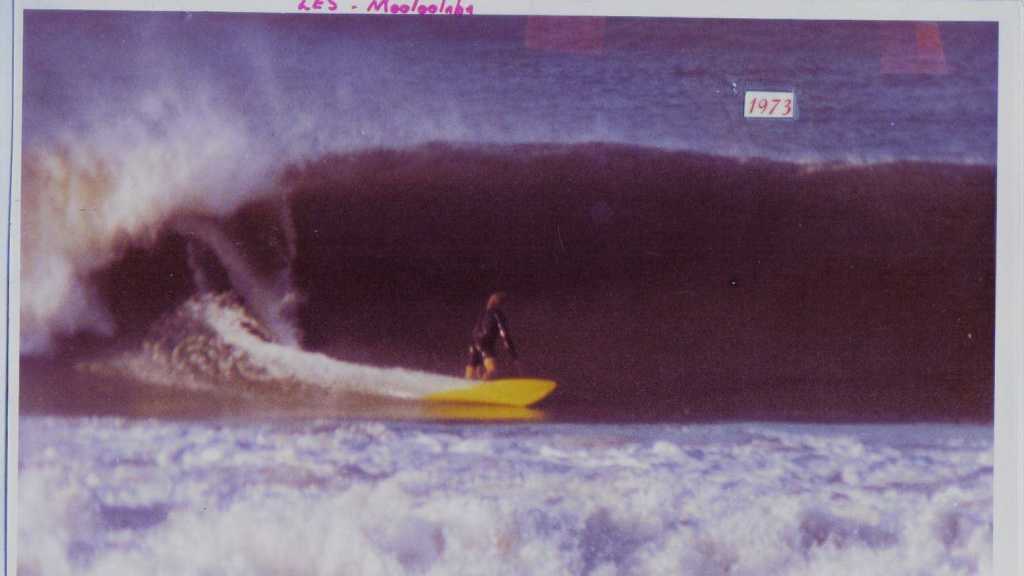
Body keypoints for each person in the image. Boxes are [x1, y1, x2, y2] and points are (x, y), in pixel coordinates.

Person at [465, 292, 519, 380]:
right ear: (501, 304)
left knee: (473, 372)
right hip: (486, 343)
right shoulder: (497, 314)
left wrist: (472, 345)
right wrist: (513, 353)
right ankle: (482, 385)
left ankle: (468, 385)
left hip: (474, 343)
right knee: (492, 371)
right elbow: (504, 334)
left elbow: (474, 331)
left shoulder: (482, 314)